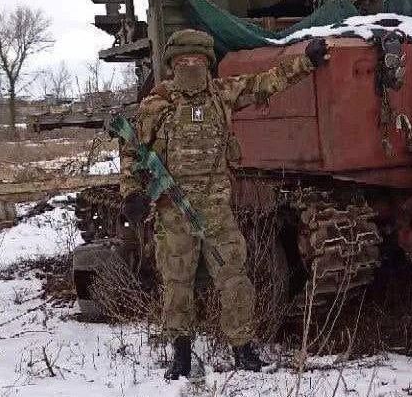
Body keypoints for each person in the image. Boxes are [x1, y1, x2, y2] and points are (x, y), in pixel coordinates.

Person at [119, 29, 329, 380]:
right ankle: (181, 356)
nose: (191, 66)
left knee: (234, 279)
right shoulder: (156, 105)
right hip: (173, 212)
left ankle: (243, 350)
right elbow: (131, 153)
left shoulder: (222, 93)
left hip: (217, 212)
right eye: (183, 61)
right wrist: (131, 193)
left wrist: (306, 61)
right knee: (177, 284)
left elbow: (267, 83)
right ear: (172, 65)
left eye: (198, 61)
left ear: (208, 64)